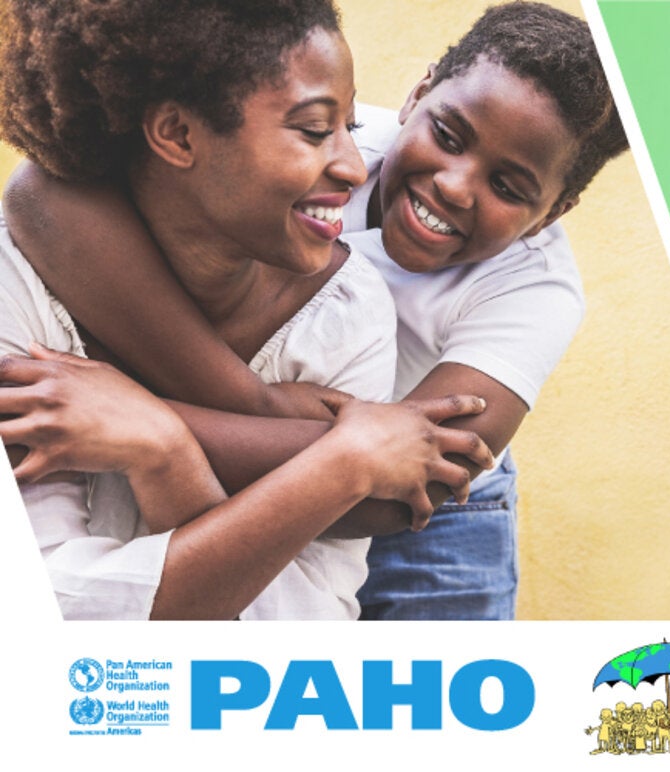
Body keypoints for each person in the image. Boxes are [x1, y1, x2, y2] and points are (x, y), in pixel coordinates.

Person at [2, 1, 629, 619]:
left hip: (428, 512)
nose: (455, 184)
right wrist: (269, 412)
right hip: (321, 443)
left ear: (552, 213)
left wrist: (151, 418)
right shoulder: (314, 142)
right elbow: (39, 196)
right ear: (419, 94)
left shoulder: (533, 290)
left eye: (508, 188)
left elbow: (403, 489)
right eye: (446, 136)